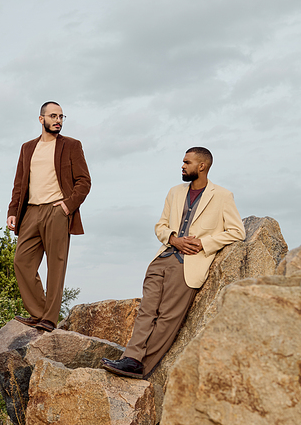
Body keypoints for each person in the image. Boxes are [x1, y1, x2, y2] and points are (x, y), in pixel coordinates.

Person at [102, 147, 245, 380]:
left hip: (189, 264)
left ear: (202, 166)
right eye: (183, 162)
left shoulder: (222, 196)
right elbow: (161, 225)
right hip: (163, 257)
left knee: (168, 318)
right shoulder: (174, 192)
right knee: (146, 311)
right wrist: (172, 238)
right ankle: (131, 359)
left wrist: (203, 243)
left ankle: (142, 367)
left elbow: (237, 232)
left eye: (187, 162)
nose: (182, 166)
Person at [7, 101, 91, 331]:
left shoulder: (72, 146)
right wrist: (13, 211)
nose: (58, 121)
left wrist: (67, 206)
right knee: (22, 262)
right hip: (31, 211)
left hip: (57, 210)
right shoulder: (27, 148)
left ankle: (49, 319)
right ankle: (39, 312)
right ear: (41, 119)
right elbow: (19, 183)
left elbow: (84, 181)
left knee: (56, 265)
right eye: (53, 116)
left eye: (62, 117)